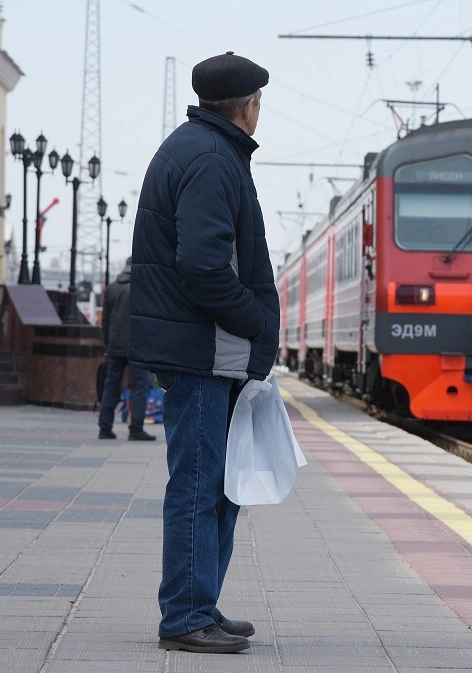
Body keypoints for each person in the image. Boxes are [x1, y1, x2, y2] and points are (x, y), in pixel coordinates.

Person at [130, 52, 278, 655]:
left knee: (213, 485)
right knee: (198, 484)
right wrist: (260, 322)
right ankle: (186, 615)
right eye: (261, 102)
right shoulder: (213, 159)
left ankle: (200, 604)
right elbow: (205, 269)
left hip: (201, 349)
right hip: (202, 350)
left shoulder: (198, 149)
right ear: (248, 106)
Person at [98, 258, 156, 442]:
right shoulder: (144, 288)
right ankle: (136, 428)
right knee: (139, 386)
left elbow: (105, 321)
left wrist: (107, 344)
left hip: (115, 346)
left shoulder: (112, 288)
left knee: (111, 384)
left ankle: (105, 427)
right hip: (138, 346)